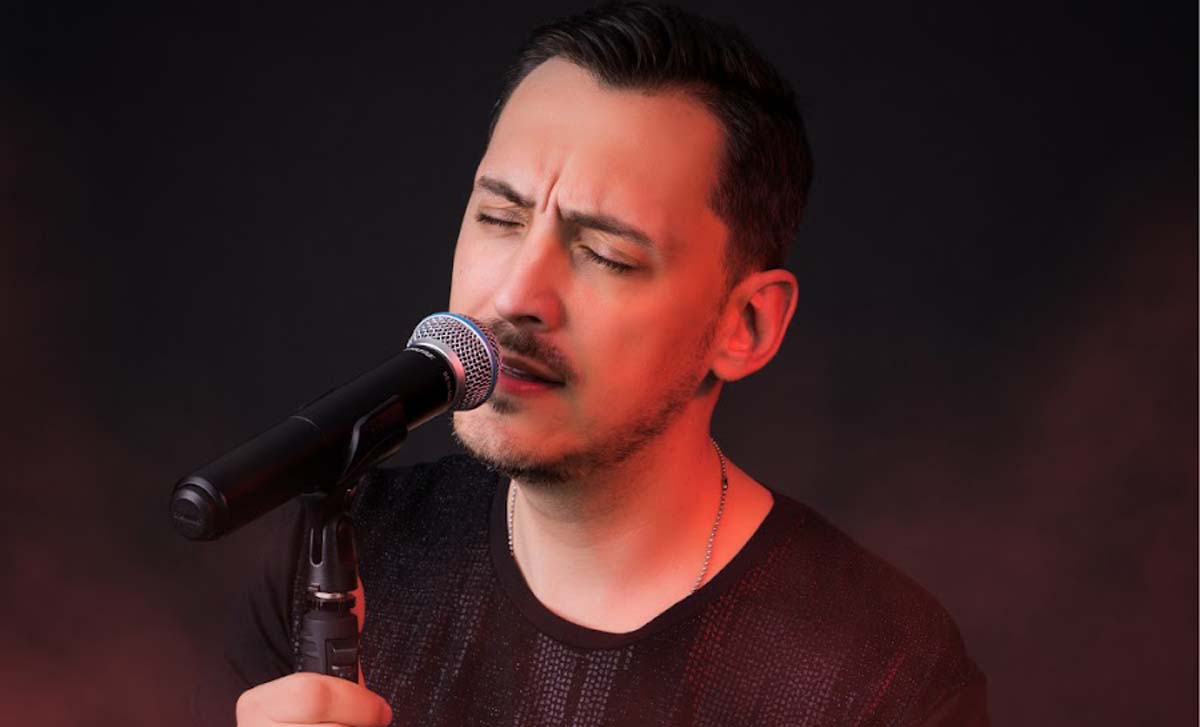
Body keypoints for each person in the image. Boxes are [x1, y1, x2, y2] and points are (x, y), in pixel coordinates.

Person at [203, 3, 989, 725]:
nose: (516, 295)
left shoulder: (882, 671)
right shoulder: (345, 561)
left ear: (745, 325)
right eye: (499, 217)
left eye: (607, 254)